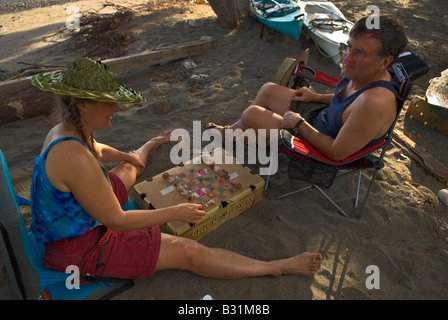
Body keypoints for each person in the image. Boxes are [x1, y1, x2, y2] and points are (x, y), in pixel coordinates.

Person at [30, 57, 322, 281]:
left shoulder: (64, 129)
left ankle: (145, 148)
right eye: (109, 103)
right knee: (188, 252)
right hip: (80, 249)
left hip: (80, 214)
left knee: (126, 170)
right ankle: (276, 267)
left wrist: (127, 157)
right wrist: (174, 212)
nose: (116, 109)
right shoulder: (75, 159)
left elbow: (97, 150)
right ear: (82, 104)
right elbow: (118, 221)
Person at [206, 14, 408, 161]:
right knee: (269, 90)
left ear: (384, 61)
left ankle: (253, 136)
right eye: (349, 47)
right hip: (321, 117)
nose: (347, 57)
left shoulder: (375, 102)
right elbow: (348, 103)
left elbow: (336, 153)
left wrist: (299, 123)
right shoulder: (367, 74)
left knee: (252, 114)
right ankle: (244, 135)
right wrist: (316, 97)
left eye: (360, 53)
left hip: (319, 141)